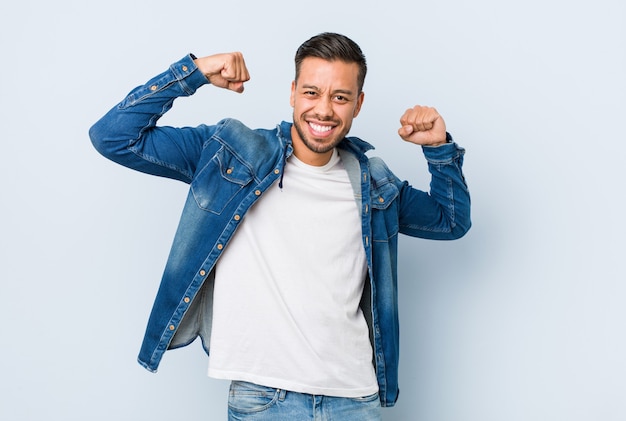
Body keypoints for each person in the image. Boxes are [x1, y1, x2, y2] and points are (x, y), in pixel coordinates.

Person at [89, 32, 471, 420]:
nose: (323, 110)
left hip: (355, 400)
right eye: (311, 92)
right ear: (292, 93)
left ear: (358, 104)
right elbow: (113, 136)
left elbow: (451, 220)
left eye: (340, 97)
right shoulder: (231, 154)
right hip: (263, 400)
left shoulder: (374, 182)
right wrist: (195, 72)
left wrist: (438, 149)